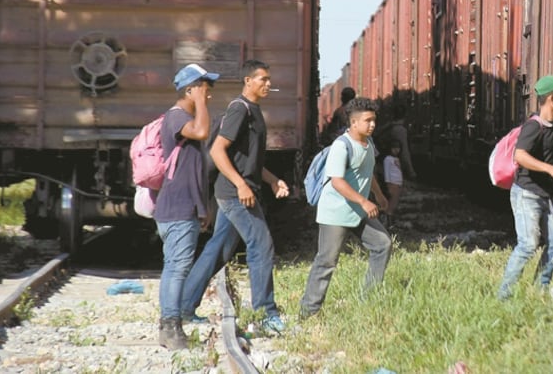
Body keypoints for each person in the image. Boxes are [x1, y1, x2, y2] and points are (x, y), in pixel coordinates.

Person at [179, 59, 290, 335]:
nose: (268, 83)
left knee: (219, 249)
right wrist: (241, 185)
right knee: (261, 244)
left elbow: (248, 160)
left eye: (268, 79)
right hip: (234, 194)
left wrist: (273, 180)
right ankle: (266, 314)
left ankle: (184, 307)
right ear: (248, 81)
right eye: (262, 79)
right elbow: (218, 151)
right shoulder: (240, 110)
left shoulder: (254, 111)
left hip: (239, 191)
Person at [299, 97, 392, 317]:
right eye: (368, 121)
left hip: (358, 211)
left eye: (374, 120)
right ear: (354, 123)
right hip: (336, 212)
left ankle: (368, 299)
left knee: (382, 244)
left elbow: (367, 172)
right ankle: (308, 312)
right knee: (327, 261)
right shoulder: (342, 146)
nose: (372, 125)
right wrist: (363, 200)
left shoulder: (368, 143)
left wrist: (378, 195)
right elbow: (337, 181)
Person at [154, 63, 217, 350]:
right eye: (205, 88)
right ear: (190, 89)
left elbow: (194, 173)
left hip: (183, 207)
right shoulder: (177, 116)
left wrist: (202, 209)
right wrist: (200, 103)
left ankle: (169, 328)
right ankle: (172, 327)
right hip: (177, 207)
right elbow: (203, 130)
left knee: (174, 266)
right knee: (178, 268)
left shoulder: (181, 117)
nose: (209, 95)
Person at [496, 74, 553, 300]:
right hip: (527, 194)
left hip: (548, 195)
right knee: (528, 244)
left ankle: (539, 289)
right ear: (552, 99)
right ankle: (504, 296)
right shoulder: (533, 127)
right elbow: (520, 156)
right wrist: (550, 169)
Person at [375, 103, 416, 178]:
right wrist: (411, 171)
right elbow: (404, 152)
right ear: (405, 115)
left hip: (381, 165)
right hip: (393, 167)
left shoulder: (386, 128)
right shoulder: (400, 130)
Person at [381, 140, 404, 226]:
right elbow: (387, 173)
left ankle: (390, 220)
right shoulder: (387, 159)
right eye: (394, 148)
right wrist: (388, 184)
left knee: (395, 203)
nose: (396, 150)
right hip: (392, 183)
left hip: (398, 183)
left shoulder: (397, 159)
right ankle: (388, 222)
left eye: (398, 148)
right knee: (391, 203)